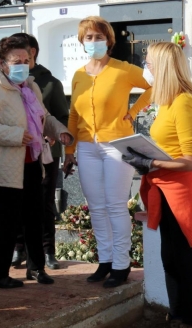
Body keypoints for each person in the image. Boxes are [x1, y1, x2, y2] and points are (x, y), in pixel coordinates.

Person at [125, 42, 192, 328]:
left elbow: (190, 161)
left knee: (184, 262)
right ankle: (175, 323)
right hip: (164, 191)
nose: (144, 67)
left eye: (148, 63)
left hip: (183, 194)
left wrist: (150, 164)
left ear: (162, 67)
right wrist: (144, 159)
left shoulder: (185, 102)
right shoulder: (167, 101)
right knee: (169, 260)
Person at [0, 35, 73, 289]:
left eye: (27, 60)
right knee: (9, 219)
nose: (23, 65)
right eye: (17, 61)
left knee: (35, 215)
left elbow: (43, 117)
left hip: (32, 161)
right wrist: (15, 135)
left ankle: (36, 268)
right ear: (2, 63)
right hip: (3, 164)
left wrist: (59, 131)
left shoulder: (31, 87)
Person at [65, 16, 152, 288]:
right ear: (82, 42)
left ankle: (121, 264)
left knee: (115, 206)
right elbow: (73, 114)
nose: (94, 42)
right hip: (87, 147)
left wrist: (134, 111)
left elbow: (153, 86)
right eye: (88, 38)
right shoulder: (79, 74)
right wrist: (69, 150)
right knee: (97, 207)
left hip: (116, 145)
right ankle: (104, 261)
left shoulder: (123, 69)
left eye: (99, 37)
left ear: (109, 41)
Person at [9, 32, 70, 271]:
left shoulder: (50, 83)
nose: (19, 60)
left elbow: (61, 115)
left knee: (43, 203)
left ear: (32, 52)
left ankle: (47, 251)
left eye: (22, 54)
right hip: (16, 153)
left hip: (46, 154)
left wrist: (53, 133)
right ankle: (19, 247)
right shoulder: (6, 82)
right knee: (17, 202)